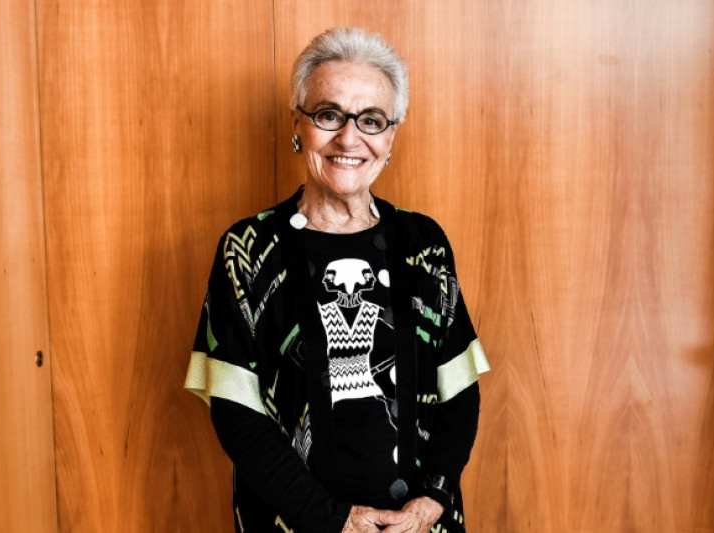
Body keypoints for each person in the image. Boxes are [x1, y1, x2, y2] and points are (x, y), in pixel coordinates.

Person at [185, 27, 490, 533]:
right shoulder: (248, 251)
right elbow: (237, 414)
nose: (349, 139)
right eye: (328, 115)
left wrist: (431, 501)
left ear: (391, 136)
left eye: (371, 120)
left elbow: (459, 393)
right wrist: (330, 520)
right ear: (298, 124)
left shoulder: (425, 243)